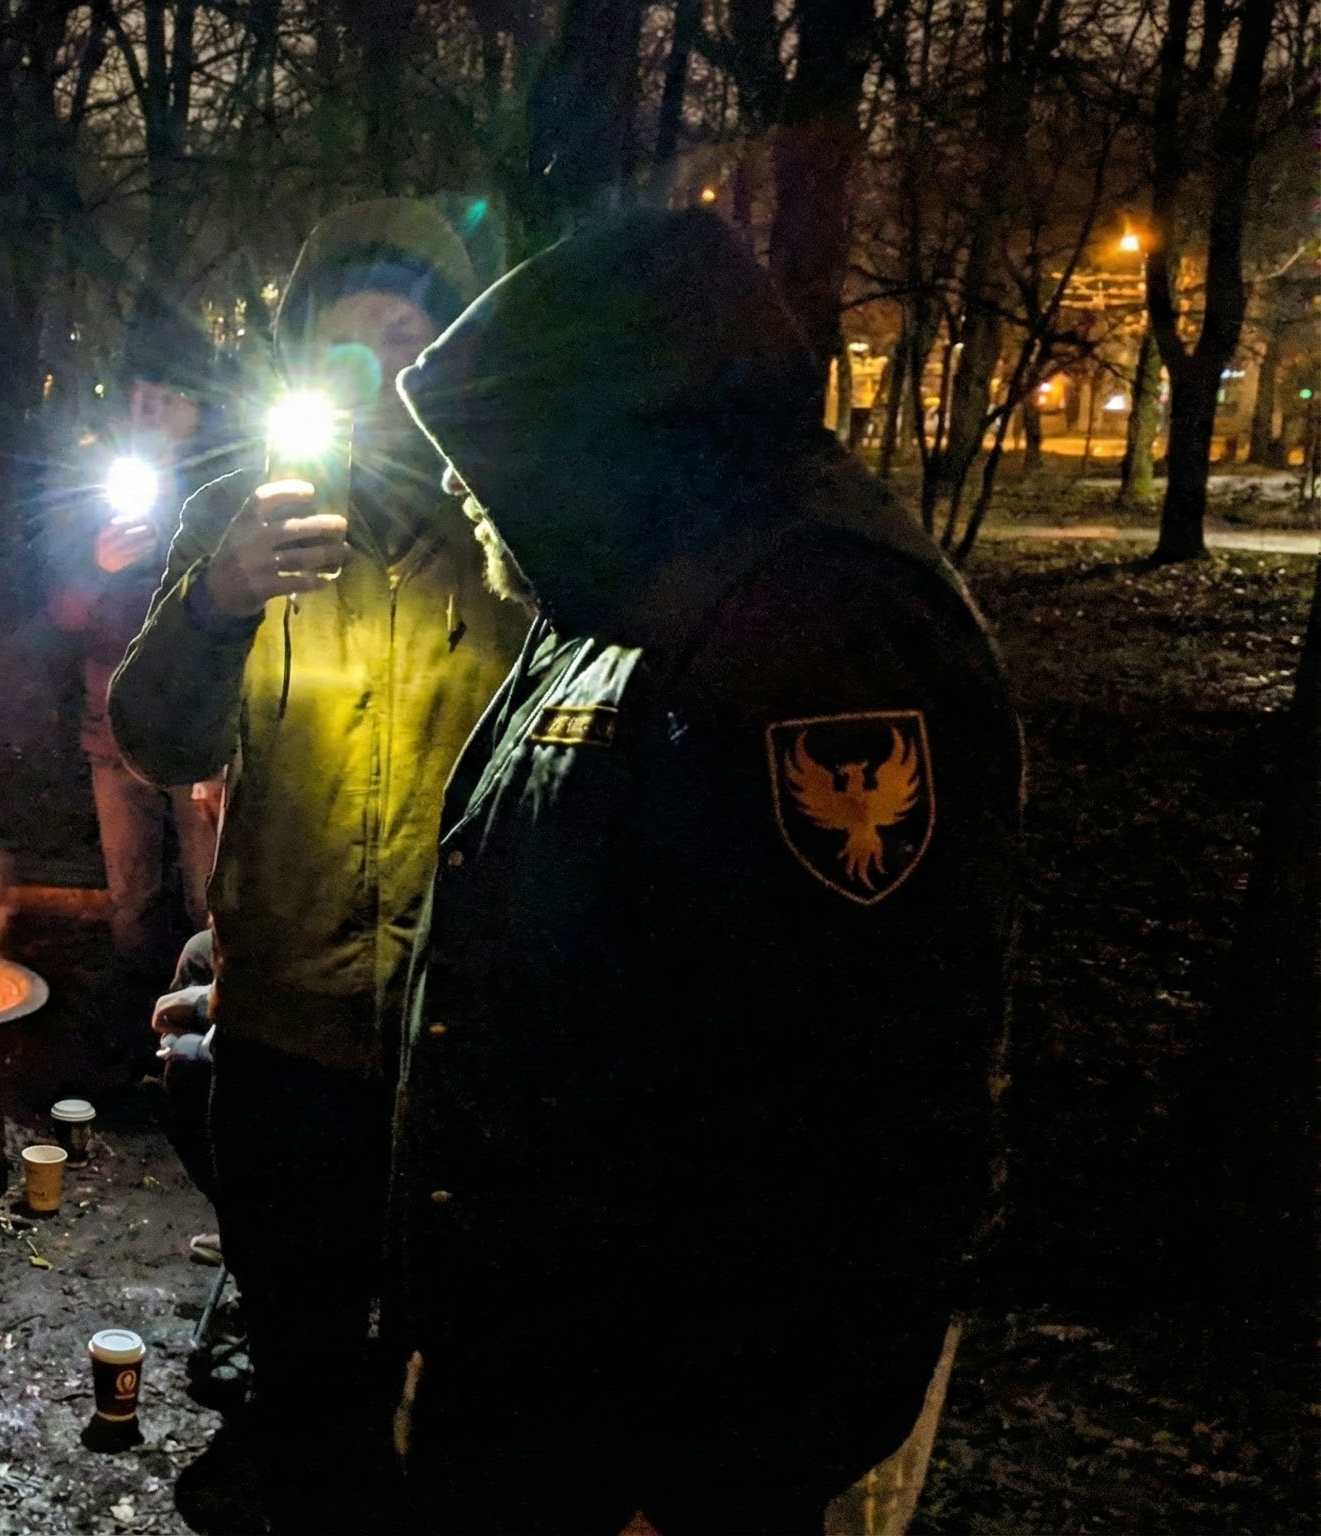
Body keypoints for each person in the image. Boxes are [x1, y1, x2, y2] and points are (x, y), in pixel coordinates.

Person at [390, 207, 1021, 1531]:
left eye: (488, 469)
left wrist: (696, 1473)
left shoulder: (815, 626)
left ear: (595, 448)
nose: (468, 501)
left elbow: (838, 1096)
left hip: (656, 1424)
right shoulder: (632, 588)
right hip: (542, 1357)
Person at [108, 201, 528, 1521]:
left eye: (410, 353)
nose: (385, 391)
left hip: (458, 1036)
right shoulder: (254, 525)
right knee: (295, 1332)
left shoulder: (521, 536)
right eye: (350, 360)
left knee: (440, 1356)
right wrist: (216, 599)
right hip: (285, 1021)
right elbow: (154, 740)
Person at [50, 310, 226, 1064]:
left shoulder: (225, 490)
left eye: (168, 397)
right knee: (132, 899)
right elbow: (59, 613)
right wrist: (100, 567)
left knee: (208, 898)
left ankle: (210, 1043)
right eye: (140, 396)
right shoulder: (101, 491)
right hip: (112, 728)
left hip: (199, 732)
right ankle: (132, 1044)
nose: (150, 410)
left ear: (197, 405)